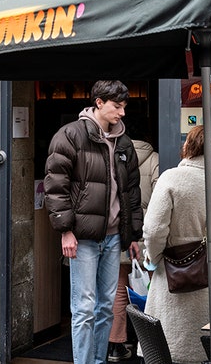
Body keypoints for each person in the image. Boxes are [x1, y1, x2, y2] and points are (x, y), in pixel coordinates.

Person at [44, 80, 143, 364]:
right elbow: (56, 188)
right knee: (84, 309)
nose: (122, 113)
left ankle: (98, 361)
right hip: (83, 238)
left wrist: (133, 236)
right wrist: (65, 231)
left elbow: (132, 192)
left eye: (124, 107)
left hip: (113, 239)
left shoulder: (124, 143)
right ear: (99, 102)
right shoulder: (70, 136)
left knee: (105, 309)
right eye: (117, 106)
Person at [141, 126, 211, 363]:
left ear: (187, 146)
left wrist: (154, 257)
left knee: (172, 344)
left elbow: (154, 230)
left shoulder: (170, 178)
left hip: (173, 266)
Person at [108, 122, 158, 362]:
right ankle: (148, 344)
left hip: (119, 233)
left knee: (118, 292)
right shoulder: (155, 158)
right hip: (144, 234)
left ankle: (117, 345)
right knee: (150, 291)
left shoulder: (115, 155)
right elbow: (159, 199)